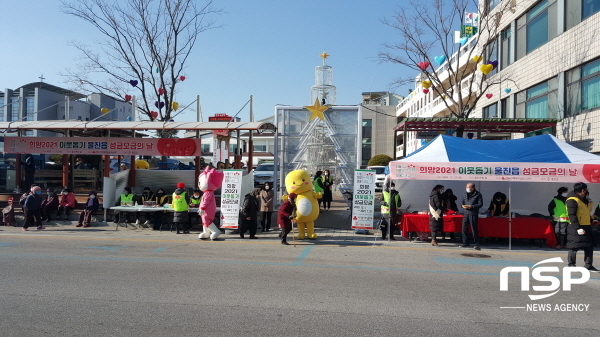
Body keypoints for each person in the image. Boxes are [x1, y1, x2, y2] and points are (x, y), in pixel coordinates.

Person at [566, 182, 599, 272]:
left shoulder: (584, 200)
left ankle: (588, 265)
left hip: (586, 225)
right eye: (582, 190)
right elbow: (572, 215)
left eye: (585, 190)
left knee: (589, 246)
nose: (584, 192)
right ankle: (571, 265)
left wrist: (592, 220)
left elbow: (586, 213)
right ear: (578, 191)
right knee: (574, 246)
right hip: (575, 226)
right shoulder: (572, 200)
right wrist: (578, 228)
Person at [460, 182, 483, 250]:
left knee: (474, 229)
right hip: (465, 213)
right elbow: (462, 202)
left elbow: (480, 204)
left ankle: (476, 244)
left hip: (473, 213)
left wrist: (472, 206)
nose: (467, 189)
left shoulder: (478, 194)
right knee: (464, 228)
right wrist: (462, 206)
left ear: (472, 188)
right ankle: (465, 243)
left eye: (468, 187)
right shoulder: (465, 193)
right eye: (466, 187)